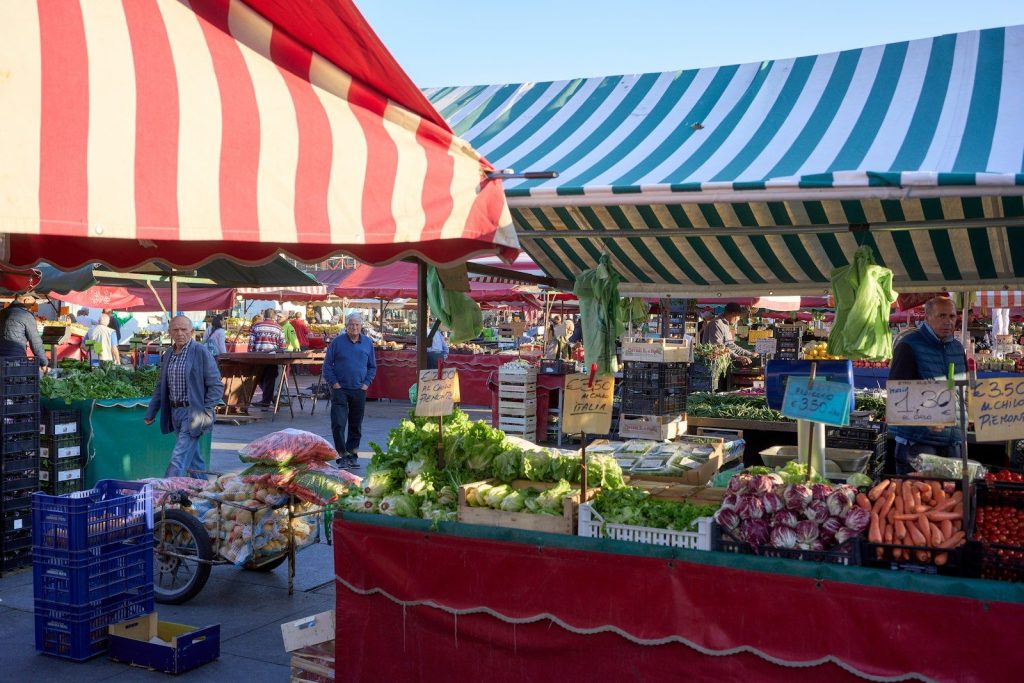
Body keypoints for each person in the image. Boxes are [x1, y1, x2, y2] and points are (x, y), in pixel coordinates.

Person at [888, 297, 967, 474]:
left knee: (951, 497)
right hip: (918, 444)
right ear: (927, 317)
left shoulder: (958, 349)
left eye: (952, 316)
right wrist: (924, 418)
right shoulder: (908, 346)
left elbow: (961, 391)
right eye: (941, 316)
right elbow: (896, 396)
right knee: (917, 497)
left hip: (952, 441)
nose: (948, 321)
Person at [144, 315, 222, 477]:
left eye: (184, 329)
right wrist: (151, 412)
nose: (180, 333)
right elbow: (162, 385)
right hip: (175, 413)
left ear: (192, 332)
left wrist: (205, 411)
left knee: (178, 458)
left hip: (193, 413)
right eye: (175, 330)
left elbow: (216, 385)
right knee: (194, 460)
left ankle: (166, 493)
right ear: (169, 332)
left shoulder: (200, 352)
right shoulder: (169, 354)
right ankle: (205, 495)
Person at [323, 313, 376, 470]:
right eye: (351, 325)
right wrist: (335, 384)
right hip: (340, 389)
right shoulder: (337, 342)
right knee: (338, 423)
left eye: (357, 325)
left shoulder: (367, 343)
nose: (354, 327)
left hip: (359, 390)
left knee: (355, 425)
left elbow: (372, 366)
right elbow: (327, 366)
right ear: (346, 326)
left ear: (361, 326)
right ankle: (342, 455)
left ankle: (352, 455)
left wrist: (366, 383)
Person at [0, 294, 48, 371]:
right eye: (32, 304)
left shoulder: (2, 313)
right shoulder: (26, 315)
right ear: (26, 300)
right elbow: (35, 342)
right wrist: (43, 363)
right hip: (15, 360)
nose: (32, 307)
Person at [249, 309, 285, 406]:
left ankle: (266, 400)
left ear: (264, 316)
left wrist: (250, 355)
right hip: (272, 358)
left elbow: (251, 344)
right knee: (270, 379)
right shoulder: (279, 328)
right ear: (274, 317)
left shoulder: (256, 326)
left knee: (258, 378)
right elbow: (282, 347)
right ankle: (267, 400)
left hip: (258, 357)